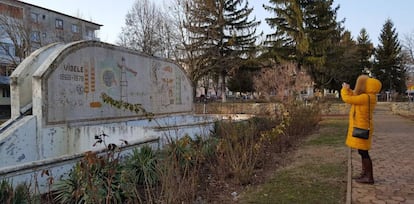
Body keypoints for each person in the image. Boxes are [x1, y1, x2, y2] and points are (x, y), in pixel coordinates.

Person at [341, 75, 382, 184]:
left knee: (364, 152)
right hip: (363, 126)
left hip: (362, 127)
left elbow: (348, 99)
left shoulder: (365, 97)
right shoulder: (370, 96)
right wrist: (349, 89)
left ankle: (369, 177)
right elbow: (354, 96)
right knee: (362, 151)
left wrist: (344, 90)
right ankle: (365, 174)